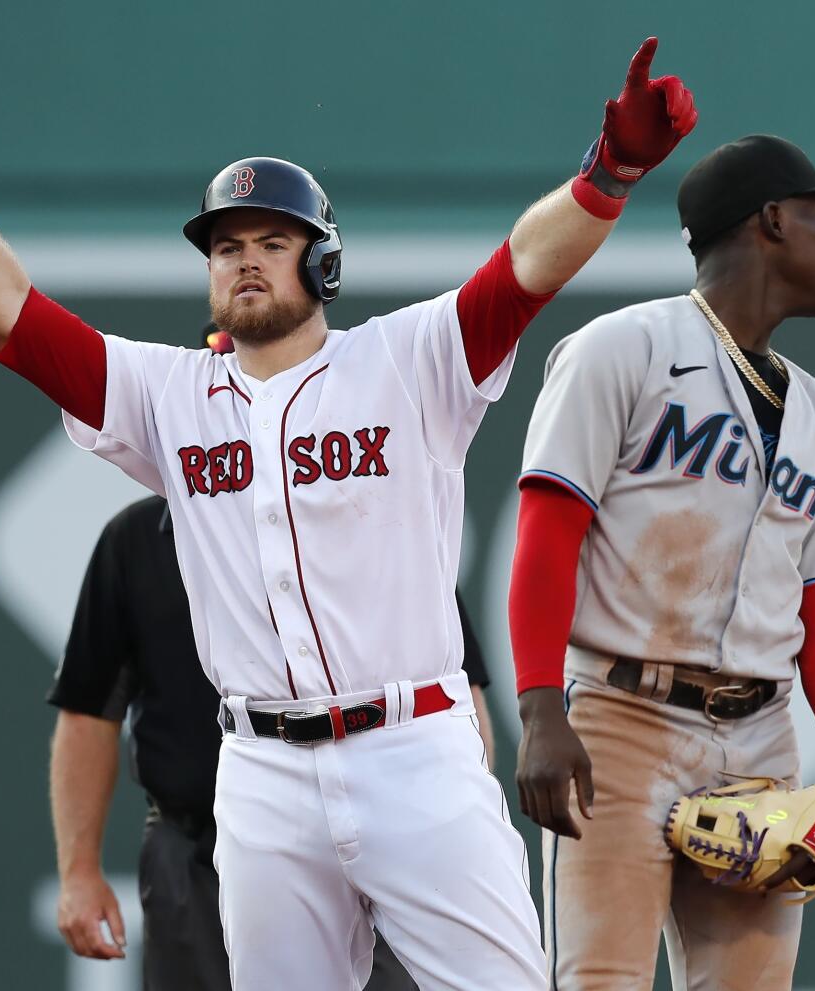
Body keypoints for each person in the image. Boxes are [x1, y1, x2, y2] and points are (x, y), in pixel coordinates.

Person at [0, 29, 696, 990]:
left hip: (415, 749)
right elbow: (8, 311)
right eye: (227, 246)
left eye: (272, 244)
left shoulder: (405, 362)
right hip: (261, 771)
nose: (245, 261)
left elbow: (526, 268)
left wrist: (610, 171)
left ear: (322, 265)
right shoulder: (167, 394)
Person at [509, 134, 815, 990]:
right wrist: (538, 706)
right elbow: (547, 532)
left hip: (759, 739)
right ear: (772, 222)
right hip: (621, 721)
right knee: (598, 980)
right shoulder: (621, 349)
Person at [49, 331, 499, 991]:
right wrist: (79, 868)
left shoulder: (375, 524)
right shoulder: (134, 544)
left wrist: (444, 819)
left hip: (381, 835)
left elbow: (461, 699)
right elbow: (90, 712)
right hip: (198, 850)